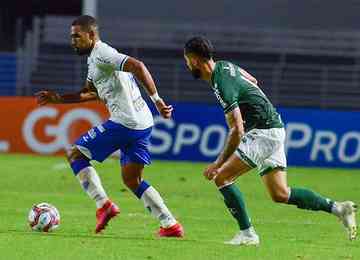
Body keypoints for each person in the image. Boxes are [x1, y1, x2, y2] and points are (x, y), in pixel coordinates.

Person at [183, 36, 357, 245]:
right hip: (273, 127)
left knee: (222, 177)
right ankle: (339, 208)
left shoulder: (221, 83)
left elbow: (236, 129)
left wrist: (217, 164)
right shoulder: (225, 66)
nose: (186, 65)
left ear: (194, 60)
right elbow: (253, 81)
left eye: (186, 60)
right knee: (280, 193)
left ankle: (248, 234)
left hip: (263, 133)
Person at [35, 15, 184, 237]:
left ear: (91, 35)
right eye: (71, 36)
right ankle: (170, 224)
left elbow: (137, 66)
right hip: (142, 124)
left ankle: (103, 205)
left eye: (77, 36)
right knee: (132, 180)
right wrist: (58, 98)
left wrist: (157, 100)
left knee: (75, 154)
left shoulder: (103, 53)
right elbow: (90, 92)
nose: (72, 40)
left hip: (125, 122)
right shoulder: (93, 60)